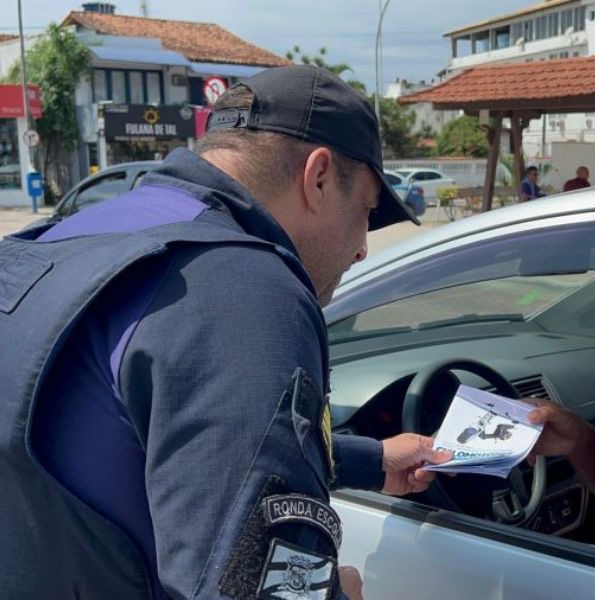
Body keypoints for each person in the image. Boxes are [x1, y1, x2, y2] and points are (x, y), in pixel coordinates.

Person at [0, 65, 451, 600]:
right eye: (366, 212)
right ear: (319, 177)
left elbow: (134, 438)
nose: (360, 248)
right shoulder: (244, 290)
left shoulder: (62, 239)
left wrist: (370, 460)